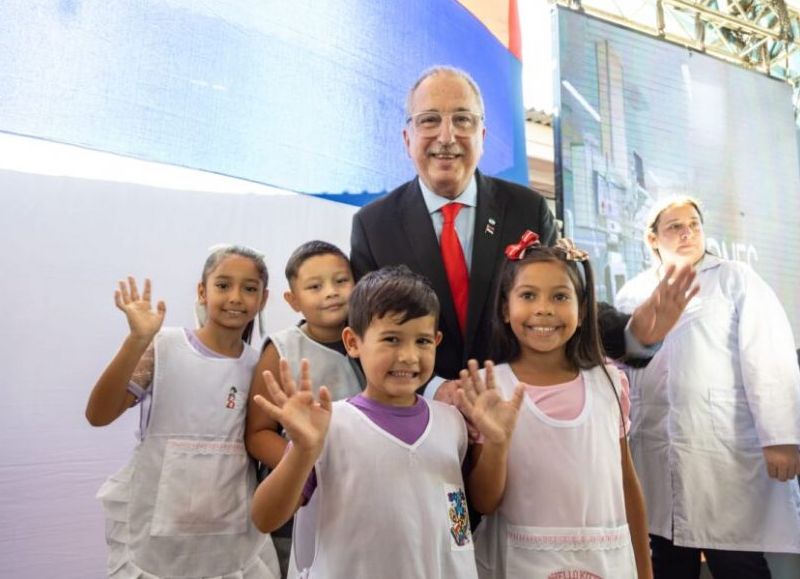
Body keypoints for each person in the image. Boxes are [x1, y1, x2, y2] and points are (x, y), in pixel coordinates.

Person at [349, 65, 697, 390]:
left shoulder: (526, 209)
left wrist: (635, 334)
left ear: (482, 135)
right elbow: (365, 331)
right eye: (429, 121)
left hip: (519, 406)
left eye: (462, 120)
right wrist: (436, 392)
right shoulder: (374, 225)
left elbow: (565, 297)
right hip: (419, 415)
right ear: (407, 138)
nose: (447, 136)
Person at [250, 266, 524, 579]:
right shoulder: (327, 426)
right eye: (392, 339)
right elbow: (264, 518)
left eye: (422, 341)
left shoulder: (452, 423)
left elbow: (481, 504)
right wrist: (301, 451)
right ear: (353, 342)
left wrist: (497, 443)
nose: (408, 356)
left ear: (437, 341)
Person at [615, 195, 800, 578]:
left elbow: (768, 355)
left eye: (694, 225)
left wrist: (780, 437)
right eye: (675, 227)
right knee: (666, 561)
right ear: (652, 239)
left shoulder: (735, 278)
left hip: (722, 452)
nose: (687, 233)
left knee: (737, 562)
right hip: (654, 450)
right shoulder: (633, 291)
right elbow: (623, 369)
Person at [85, 246, 279, 579]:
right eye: (223, 285)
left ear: (263, 299)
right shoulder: (165, 346)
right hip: (154, 527)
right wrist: (136, 340)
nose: (235, 297)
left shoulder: (258, 366)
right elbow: (98, 415)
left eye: (249, 288)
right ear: (202, 291)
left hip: (229, 529)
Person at [467, 233, 652, 578]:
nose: (544, 309)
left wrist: (645, 571)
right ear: (505, 309)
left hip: (607, 561)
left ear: (582, 312)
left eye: (560, 296)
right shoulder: (491, 389)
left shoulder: (609, 383)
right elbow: (484, 502)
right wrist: (496, 442)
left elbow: (626, 482)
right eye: (528, 295)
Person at [245, 240, 363, 577]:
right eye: (315, 286)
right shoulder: (282, 350)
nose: (331, 292)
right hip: (297, 506)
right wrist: (308, 469)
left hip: (359, 497)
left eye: (341, 281)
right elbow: (257, 433)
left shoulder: (374, 341)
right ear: (293, 300)